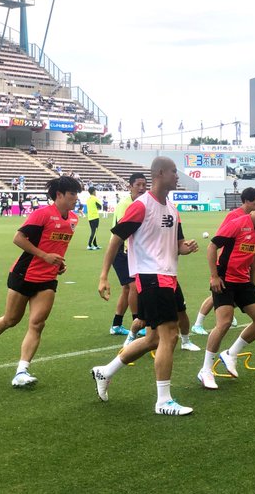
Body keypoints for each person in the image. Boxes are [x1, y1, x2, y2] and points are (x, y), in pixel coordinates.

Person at [92, 156, 199, 416]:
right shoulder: (141, 206)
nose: (177, 176)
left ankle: (105, 372)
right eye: (174, 171)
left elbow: (178, 244)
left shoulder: (173, 209)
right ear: (160, 173)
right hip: (151, 276)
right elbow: (116, 239)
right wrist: (104, 276)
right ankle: (163, 401)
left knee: (153, 339)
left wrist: (186, 247)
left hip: (169, 277)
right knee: (169, 335)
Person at [0, 176, 82, 386]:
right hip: (24, 274)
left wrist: (58, 264)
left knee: (37, 324)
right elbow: (18, 238)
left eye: (76, 194)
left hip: (48, 278)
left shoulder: (73, 219)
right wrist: (44, 256)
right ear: (59, 195)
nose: (76, 198)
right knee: (11, 319)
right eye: (72, 194)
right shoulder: (42, 214)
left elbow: (56, 245)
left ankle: (21, 371)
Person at [196, 191, 255, 390]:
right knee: (224, 323)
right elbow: (212, 246)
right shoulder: (238, 224)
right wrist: (214, 276)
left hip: (244, 281)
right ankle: (205, 370)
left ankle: (231, 354)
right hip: (224, 279)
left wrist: (252, 282)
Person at [192, 187, 255, 335]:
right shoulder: (234, 216)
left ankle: (227, 313)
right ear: (247, 201)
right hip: (227, 264)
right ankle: (198, 323)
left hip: (242, 265)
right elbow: (218, 240)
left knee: (230, 295)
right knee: (216, 294)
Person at [108, 173, 147, 336]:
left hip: (132, 251)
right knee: (133, 287)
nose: (142, 188)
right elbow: (122, 232)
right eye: (138, 185)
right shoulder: (125, 204)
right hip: (121, 251)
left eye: (144, 185)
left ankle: (116, 325)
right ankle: (138, 323)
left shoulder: (142, 203)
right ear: (130, 187)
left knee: (126, 289)